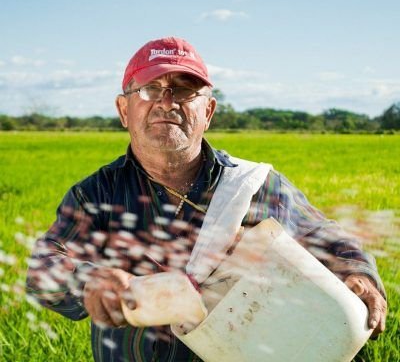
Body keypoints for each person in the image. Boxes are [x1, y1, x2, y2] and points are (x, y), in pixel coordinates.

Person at [27, 36, 387, 362]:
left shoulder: (252, 185)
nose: (167, 103)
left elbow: (326, 236)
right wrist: (88, 281)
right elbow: (43, 268)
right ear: (124, 110)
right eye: (150, 89)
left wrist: (357, 272)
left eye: (184, 91)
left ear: (208, 112)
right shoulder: (96, 195)